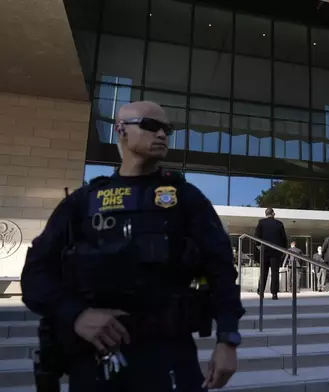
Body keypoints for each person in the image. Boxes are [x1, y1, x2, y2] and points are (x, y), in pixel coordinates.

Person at [20, 101, 244, 391]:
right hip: (95, 360)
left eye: (167, 129)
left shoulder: (185, 198)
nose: (162, 134)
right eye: (151, 126)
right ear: (120, 130)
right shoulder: (83, 202)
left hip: (169, 358)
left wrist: (228, 340)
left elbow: (221, 271)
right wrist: (76, 314)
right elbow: (36, 274)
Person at [254, 207, 288, 300]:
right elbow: (284, 239)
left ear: (266, 214)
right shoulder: (279, 224)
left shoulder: (261, 222)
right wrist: (283, 250)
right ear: (273, 213)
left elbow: (256, 236)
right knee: (275, 273)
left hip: (264, 251)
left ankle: (261, 292)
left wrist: (258, 246)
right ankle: (274, 293)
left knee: (263, 272)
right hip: (275, 251)